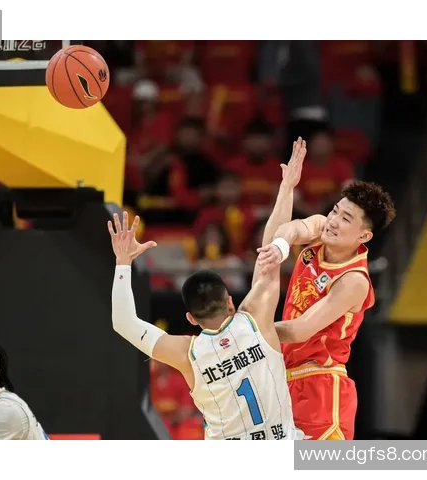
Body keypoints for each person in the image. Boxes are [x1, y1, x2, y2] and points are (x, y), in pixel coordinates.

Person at [109, 138, 308, 440]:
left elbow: (123, 322)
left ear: (190, 318)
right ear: (230, 301)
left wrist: (123, 262)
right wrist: (287, 187)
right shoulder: (255, 320)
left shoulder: (187, 353)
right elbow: (270, 247)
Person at [256, 180, 396, 440]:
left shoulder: (354, 281)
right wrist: (280, 246)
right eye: (334, 211)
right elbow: (292, 228)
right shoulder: (324, 229)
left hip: (320, 385)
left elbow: (299, 330)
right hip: (285, 379)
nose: (333, 221)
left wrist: (249, 331)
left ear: (363, 236)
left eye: (345, 218)